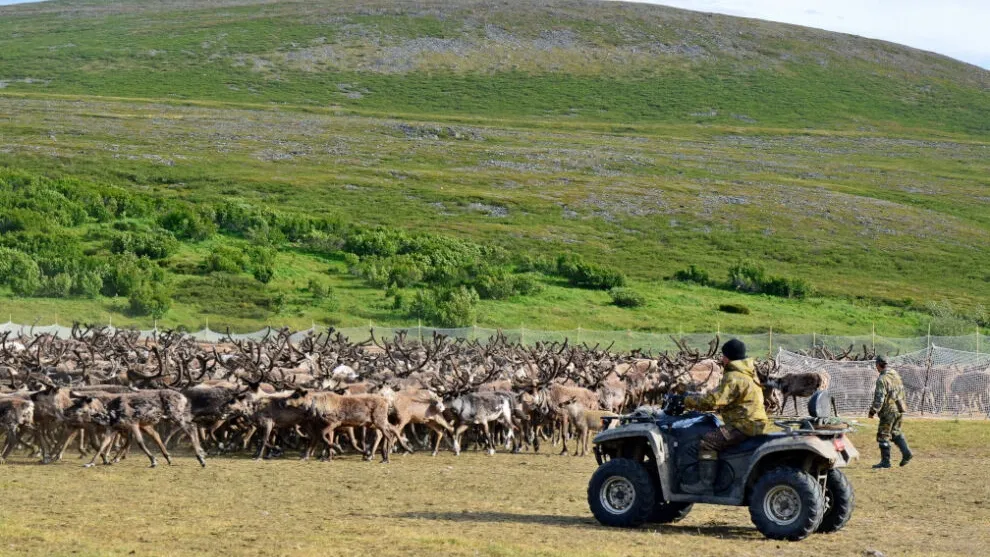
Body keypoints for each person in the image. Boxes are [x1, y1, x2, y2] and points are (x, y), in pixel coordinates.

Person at [680, 338, 770, 495]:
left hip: (742, 425)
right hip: (756, 422)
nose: (721, 359)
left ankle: (705, 484)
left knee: (708, 442)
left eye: (723, 356)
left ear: (728, 357)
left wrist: (687, 399)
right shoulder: (749, 374)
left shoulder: (733, 376)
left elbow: (714, 401)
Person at [869, 355, 912, 468]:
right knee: (895, 432)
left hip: (888, 411)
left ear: (878, 365)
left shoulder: (882, 379)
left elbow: (879, 399)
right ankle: (907, 453)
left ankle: (885, 462)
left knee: (883, 435)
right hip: (900, 408)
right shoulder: (895, 374)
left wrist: (873, 411)